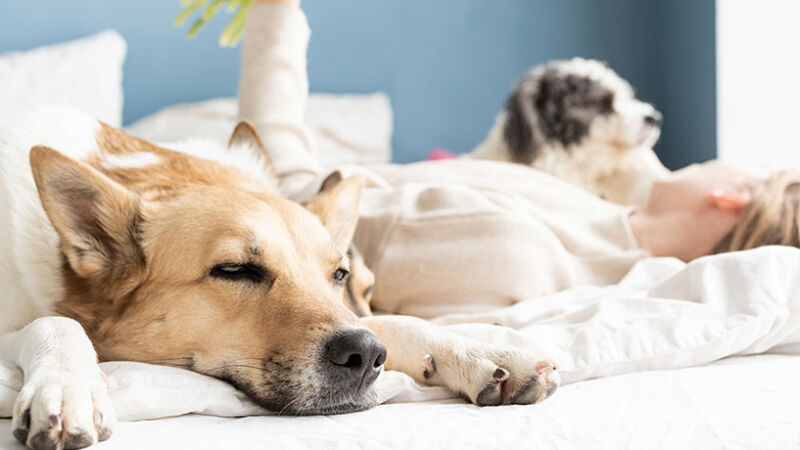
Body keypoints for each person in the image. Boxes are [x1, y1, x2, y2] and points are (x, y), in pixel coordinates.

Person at [238, 0, 795, 318]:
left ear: (732, 196)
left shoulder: (510, 248)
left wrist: (275, 20)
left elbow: (288, 199)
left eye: (746, 166)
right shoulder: (578, 212)